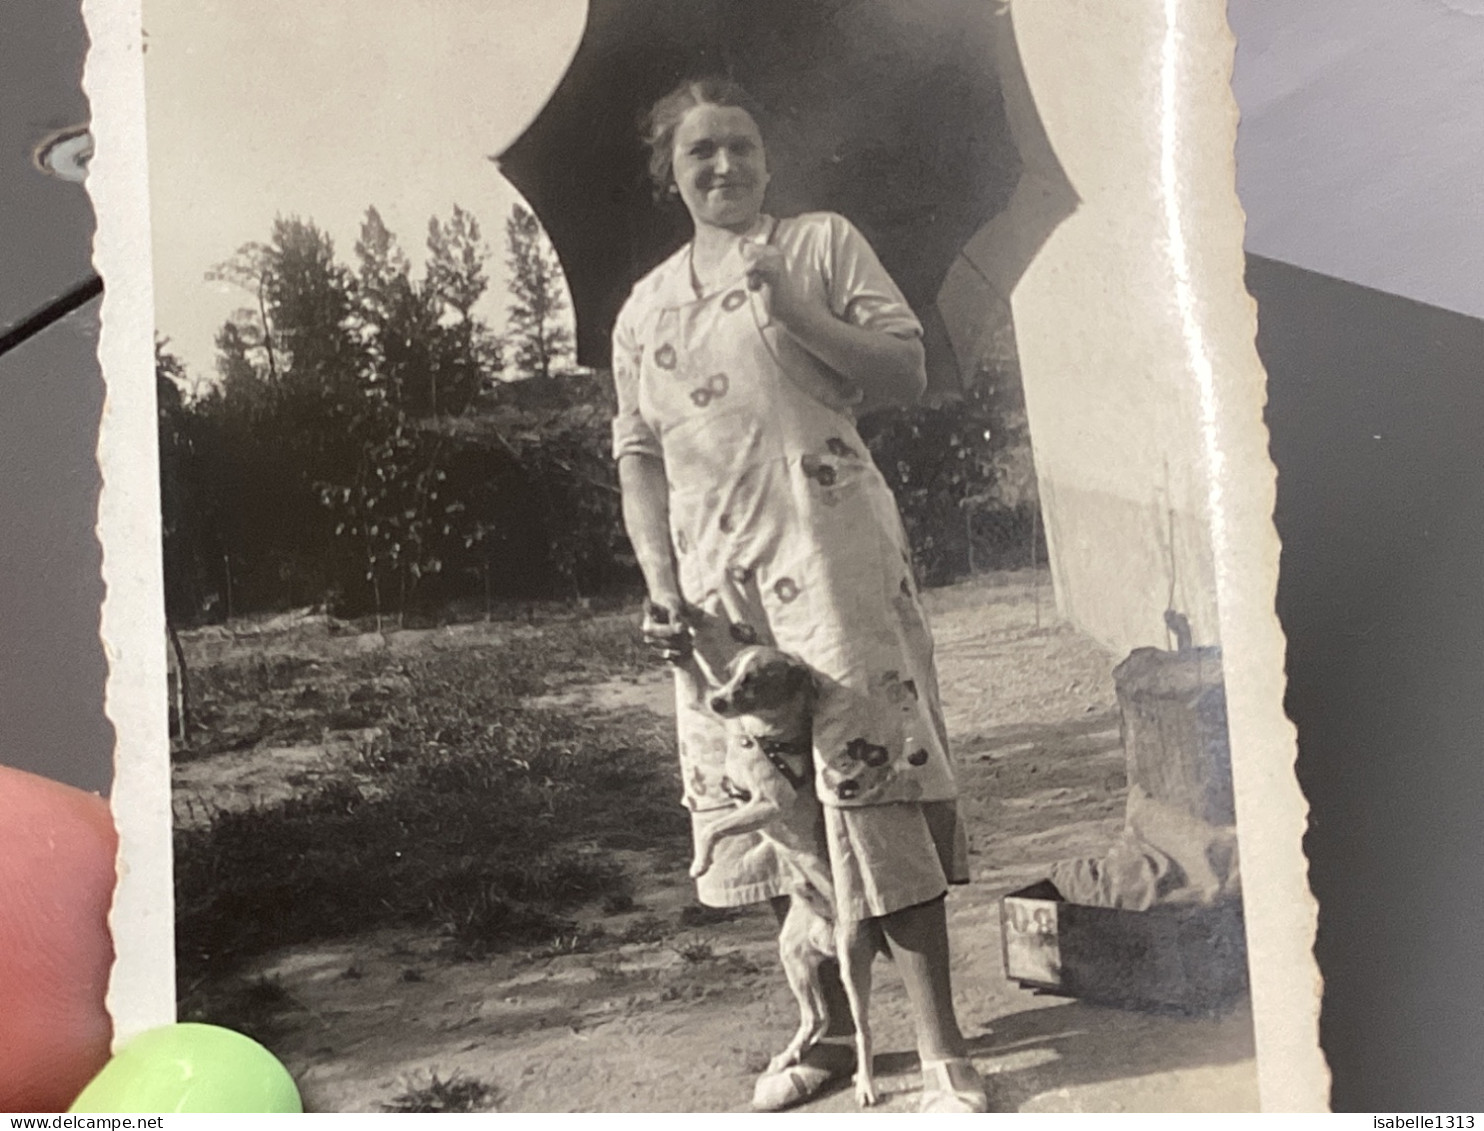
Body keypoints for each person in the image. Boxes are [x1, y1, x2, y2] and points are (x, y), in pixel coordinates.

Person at [611, 77, 988, 1113]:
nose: (723, 166)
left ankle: (944, 1050)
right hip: (716, 594)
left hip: (833, 568)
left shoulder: (818, 244)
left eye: (740, 146)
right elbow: (636, 451)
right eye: (701, 154)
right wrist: (658, 583)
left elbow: (905, 373)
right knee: (774, 805)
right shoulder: (644, 309)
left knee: (873, 783)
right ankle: (826, 1033)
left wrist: (795, 309)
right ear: (671, 175)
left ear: (767, 159)